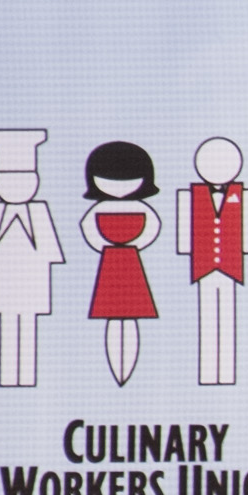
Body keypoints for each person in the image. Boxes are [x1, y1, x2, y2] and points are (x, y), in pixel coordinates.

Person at [0, 127, 61, 389]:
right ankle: (9, 380)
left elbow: (53, 252)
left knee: (28, 330)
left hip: (34, 283)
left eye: (24, 180)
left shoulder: (40, 212)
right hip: (3, 284)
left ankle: (27, 379)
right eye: (8, 180)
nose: (16, 187)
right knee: (9, 330)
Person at [77, 140, 161, 387]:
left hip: (132, 266)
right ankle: (117, 372)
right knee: (113, 319)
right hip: (110, 268)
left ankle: (126, 372)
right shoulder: (97, 210)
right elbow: (89, 230)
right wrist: (109, 250)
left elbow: (152, 229)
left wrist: (132, 247)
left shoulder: (142, 209)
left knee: (131, 318)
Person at [184, 133, 248, 385]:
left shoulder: (244, 195)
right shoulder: (190, 196)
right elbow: (185, 235)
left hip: (231, 264)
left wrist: (243, 250)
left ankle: (227, 375)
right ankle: (209, 375)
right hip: (203, 265)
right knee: (208, 319)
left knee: (227, 318)